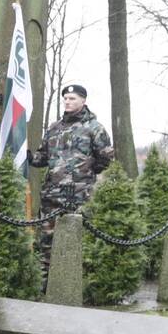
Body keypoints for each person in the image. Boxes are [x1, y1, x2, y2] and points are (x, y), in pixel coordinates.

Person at [27, 84, 114, 279]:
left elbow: (106, 159)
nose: (67, 101)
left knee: (79, 237)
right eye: (65, 98)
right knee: (46, 240)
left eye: (72, 98)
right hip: (52, 194)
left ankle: (75, 281)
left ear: (83, 101)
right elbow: (43, 158)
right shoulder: (54, 128)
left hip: (80, 195)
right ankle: (45, 282)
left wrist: (85, 174)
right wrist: (30, 157)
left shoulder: (95, 128)